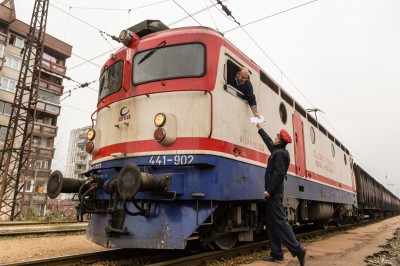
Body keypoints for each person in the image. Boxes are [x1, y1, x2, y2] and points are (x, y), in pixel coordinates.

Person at [256, 123, 307, 266]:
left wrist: (269, 191)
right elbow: (268, 142)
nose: (275, 137)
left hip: (274, 193)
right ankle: (277, 254)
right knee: (272, 223)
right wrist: (259, 128)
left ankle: (298, 249)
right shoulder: (277, 151)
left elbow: (278, 174)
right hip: (273, 193)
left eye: (277, 136)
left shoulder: (280, 154)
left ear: (280, 140)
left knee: (280, 221)